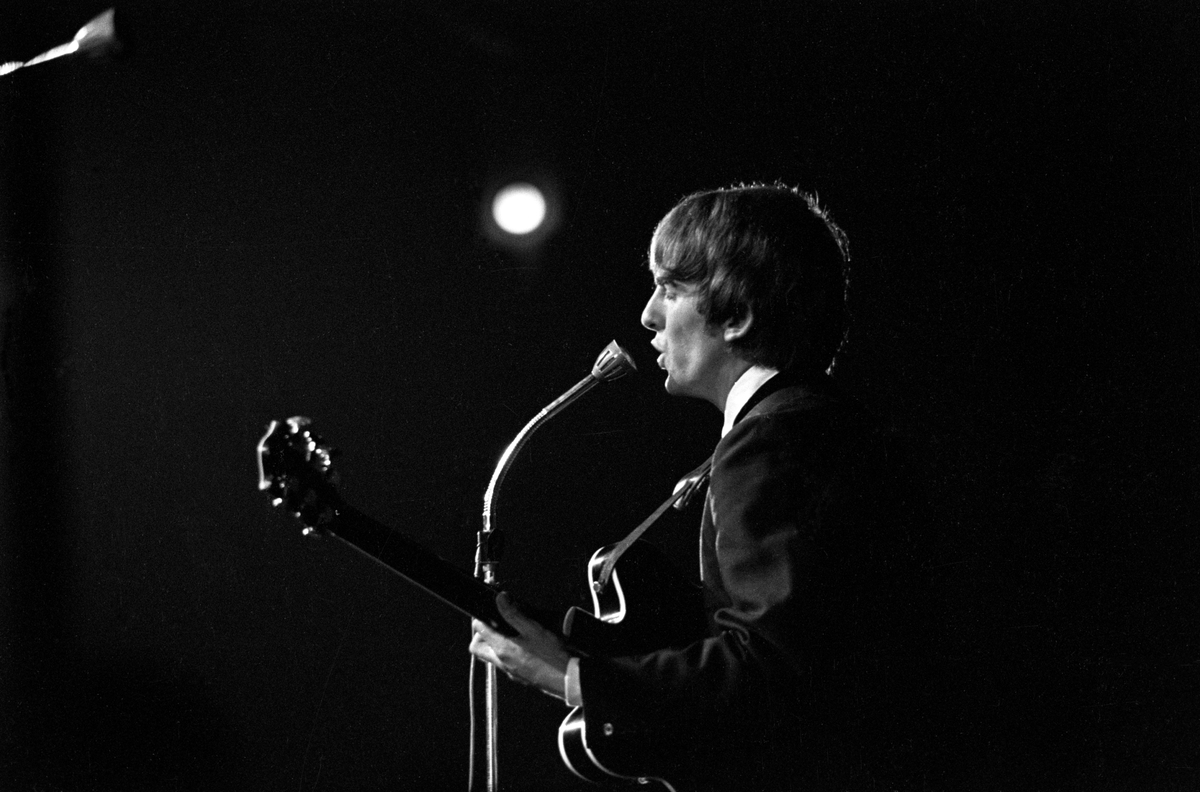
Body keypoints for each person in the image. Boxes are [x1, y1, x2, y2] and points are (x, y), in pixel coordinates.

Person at [470, 183, 940, 791]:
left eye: (670, 289)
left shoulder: (774, 439)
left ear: (738, 314)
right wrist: (581, 644)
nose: (647, 316)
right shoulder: (810, 426)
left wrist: (573, 677)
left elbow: (771, 666)